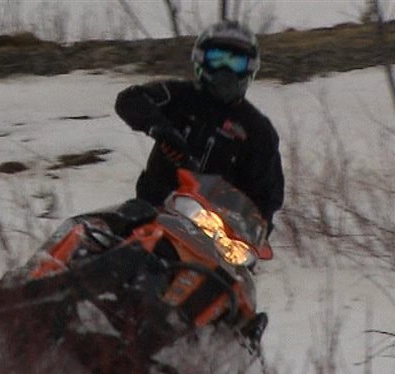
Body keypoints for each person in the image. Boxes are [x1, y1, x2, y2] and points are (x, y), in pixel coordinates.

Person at [115, 20, 284, 236]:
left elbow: (266, 200)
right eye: (217, 59)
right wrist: (162, 129)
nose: (226, 69)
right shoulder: (181, 96)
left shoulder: (258, 131)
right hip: (153, 212)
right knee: (103, 236)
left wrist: (253, 235)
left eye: (235, 62)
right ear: (202, 61)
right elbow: (130, 99)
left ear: (249, 68)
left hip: (212, 235)